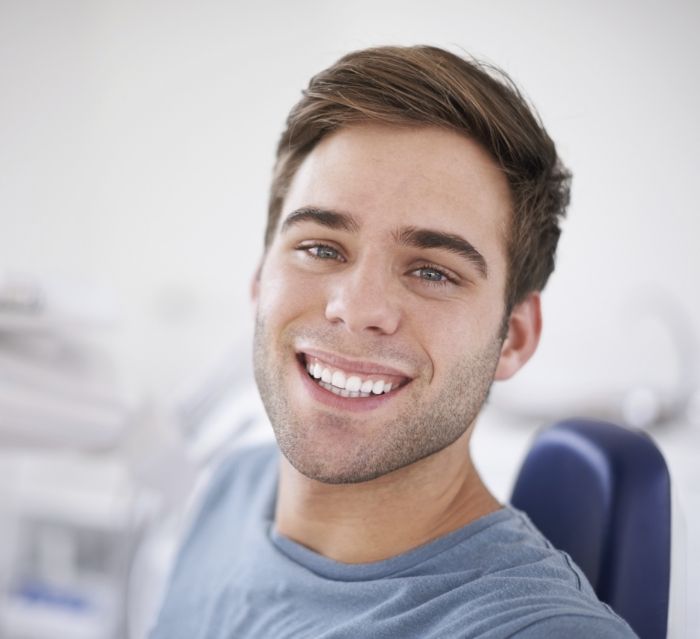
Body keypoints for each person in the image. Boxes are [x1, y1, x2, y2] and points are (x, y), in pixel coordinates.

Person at [150, 45, 637, 638]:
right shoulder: (234, 487)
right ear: (260, 278)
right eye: (321, 248)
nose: (355, 310)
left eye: (432, 271)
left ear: (513, 337)